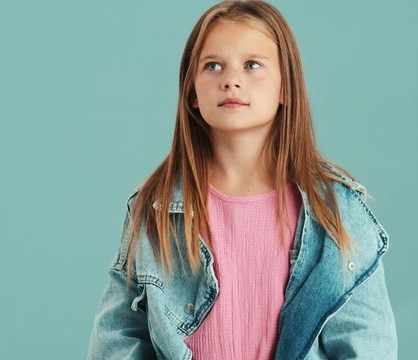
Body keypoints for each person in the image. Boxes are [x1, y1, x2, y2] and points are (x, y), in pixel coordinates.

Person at [87, 1, 398, 359]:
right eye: (213, 65)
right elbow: (117, 337)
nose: (231, 79)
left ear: (286, 88)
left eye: (252, 65)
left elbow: (367, 344)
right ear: (192, 92)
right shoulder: (154, 208)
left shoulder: (338, 212)